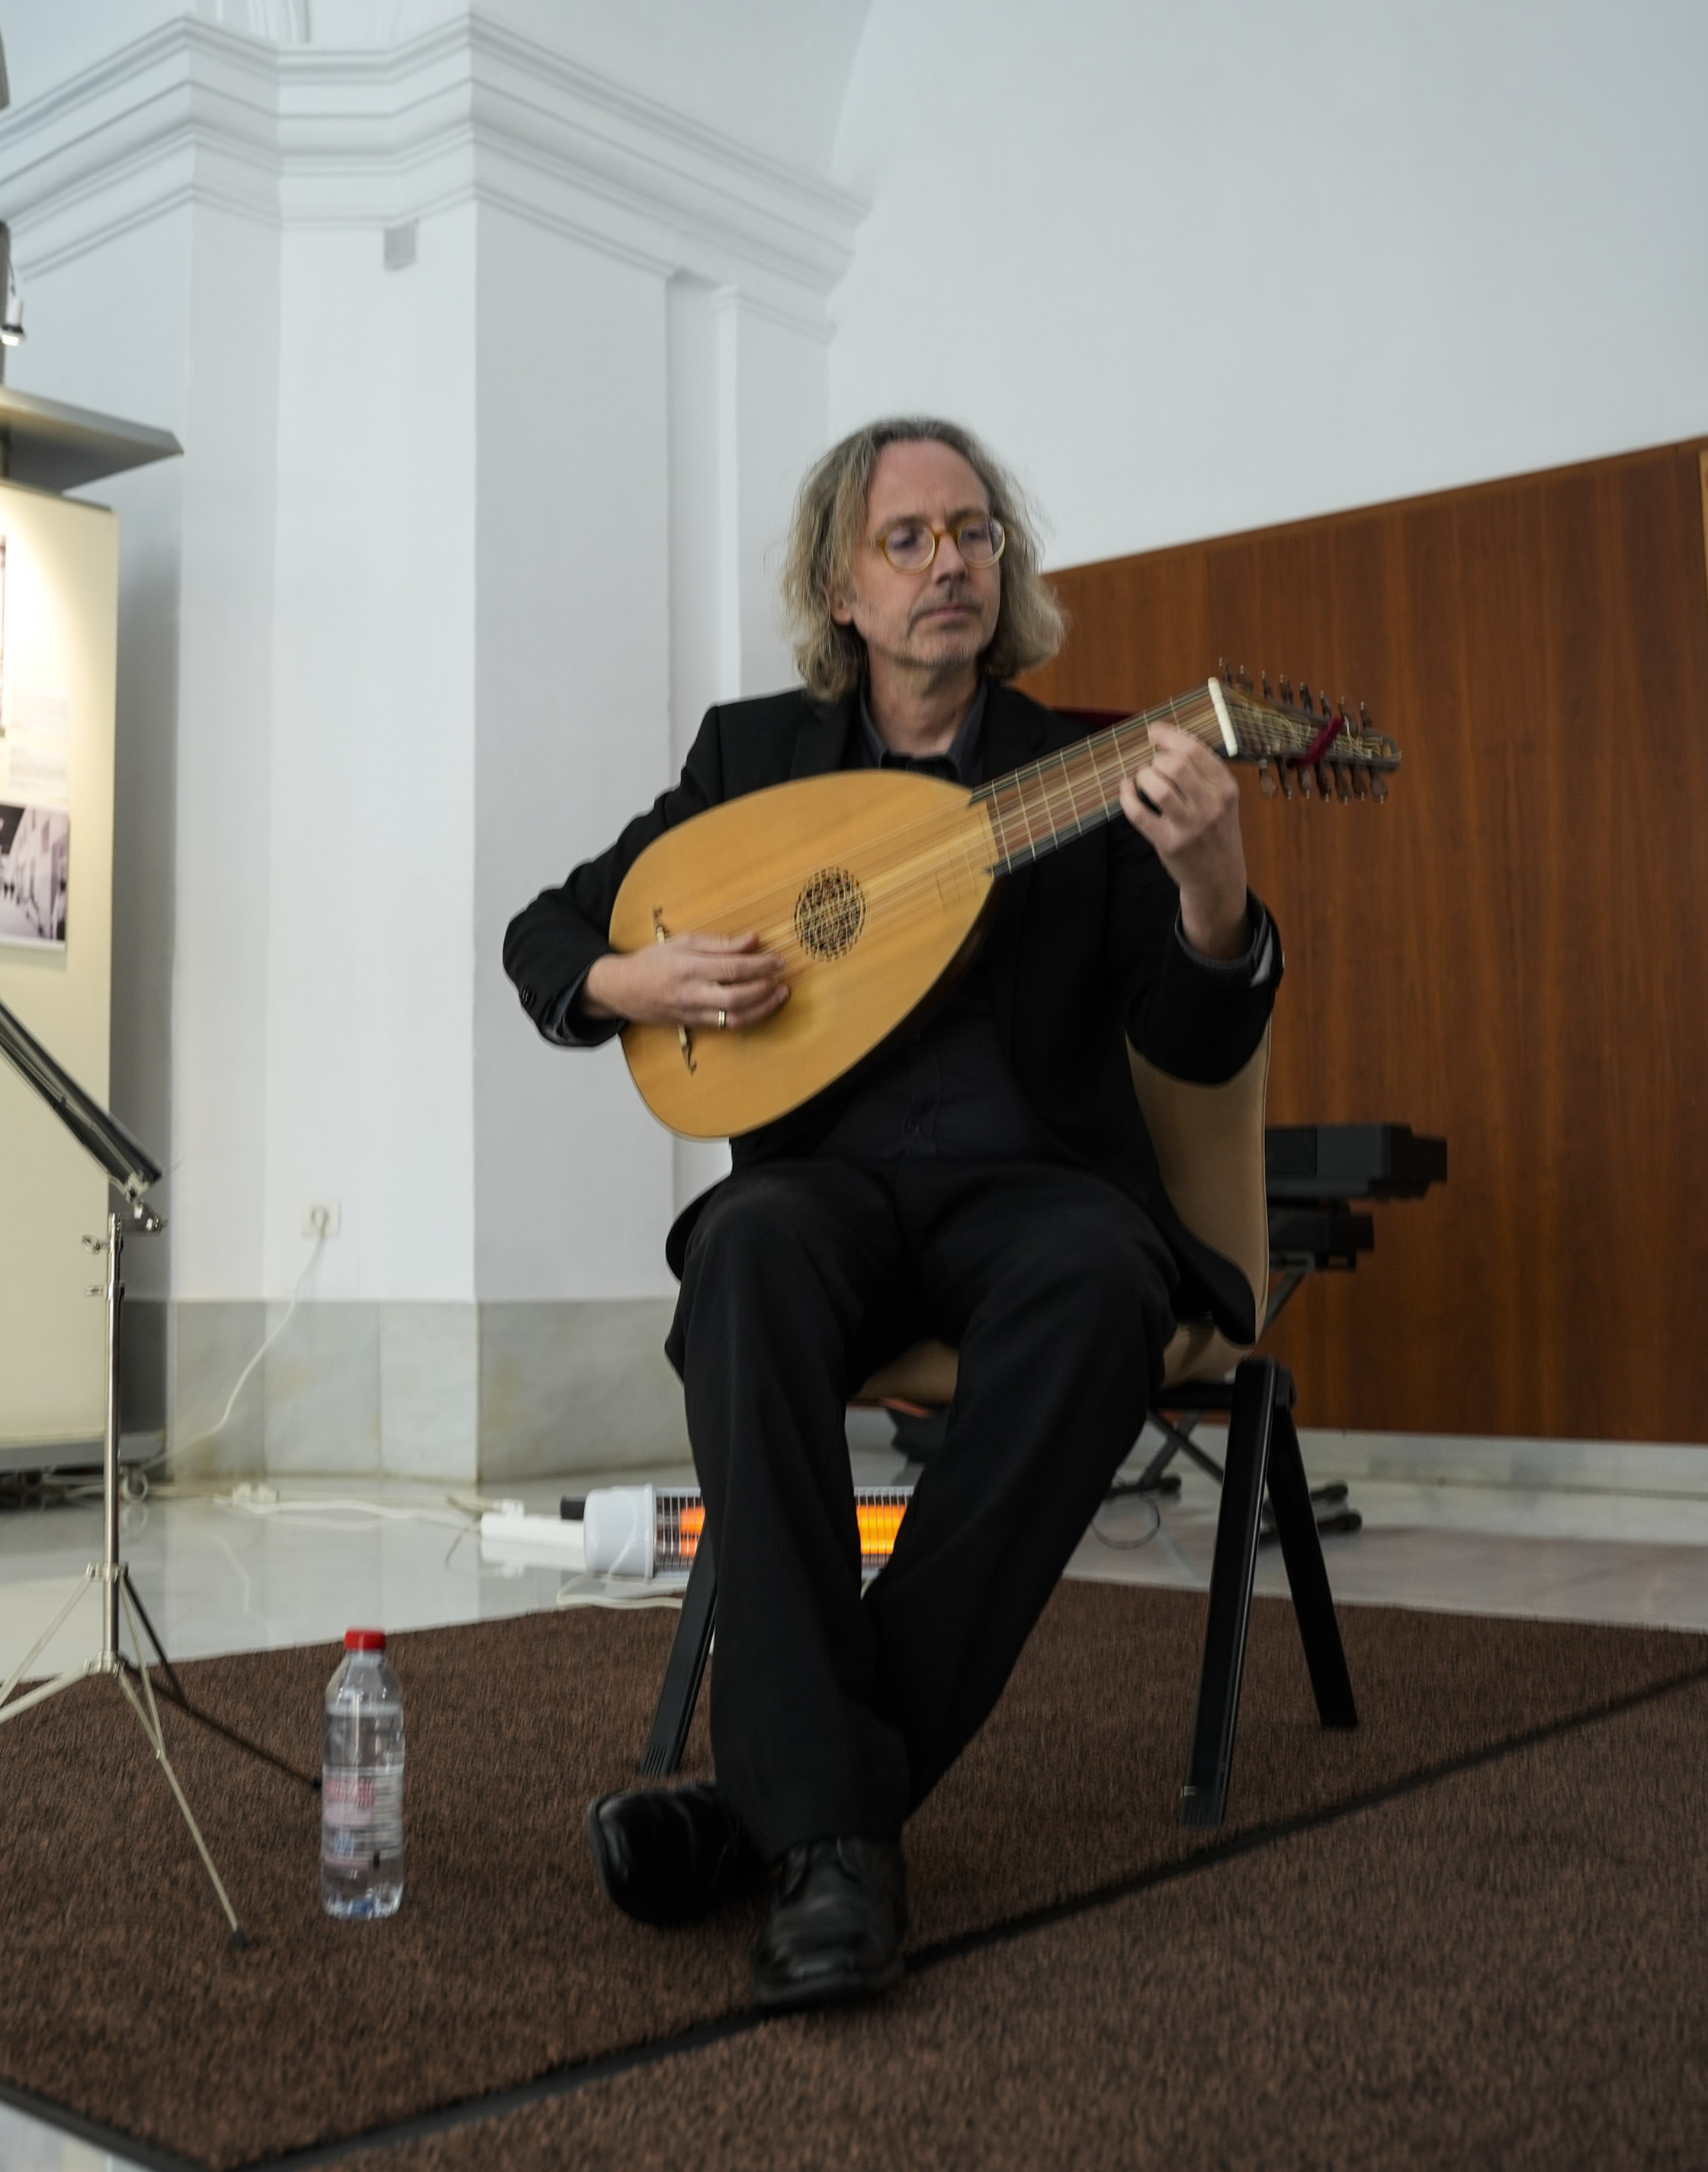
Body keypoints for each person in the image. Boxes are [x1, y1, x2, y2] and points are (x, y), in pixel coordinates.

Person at [501, 417, 1282, 2010]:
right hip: (825, 1195)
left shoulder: (1081, 771)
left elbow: (1195, 1039)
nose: (949, 563)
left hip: (1034, 1198)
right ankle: (824, 1820)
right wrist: (628, 977)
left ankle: (791, 1817)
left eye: (973, 533)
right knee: (742, 1252)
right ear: (838, 587)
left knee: (1096, 1291)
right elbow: (544, 928)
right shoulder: (752, 763)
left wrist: (1212, 886)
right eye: (908, 539)